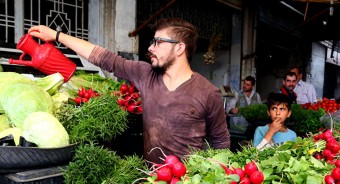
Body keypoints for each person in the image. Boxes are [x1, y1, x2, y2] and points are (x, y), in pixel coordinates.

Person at [28, 18, 230, 163]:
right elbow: (103, 58)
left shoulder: (208, 93)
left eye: (158, 43)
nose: (151, 48)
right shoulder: (145, 74)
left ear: (179, 49)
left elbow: (221, 142)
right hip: (149, 182)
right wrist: (56, 35)